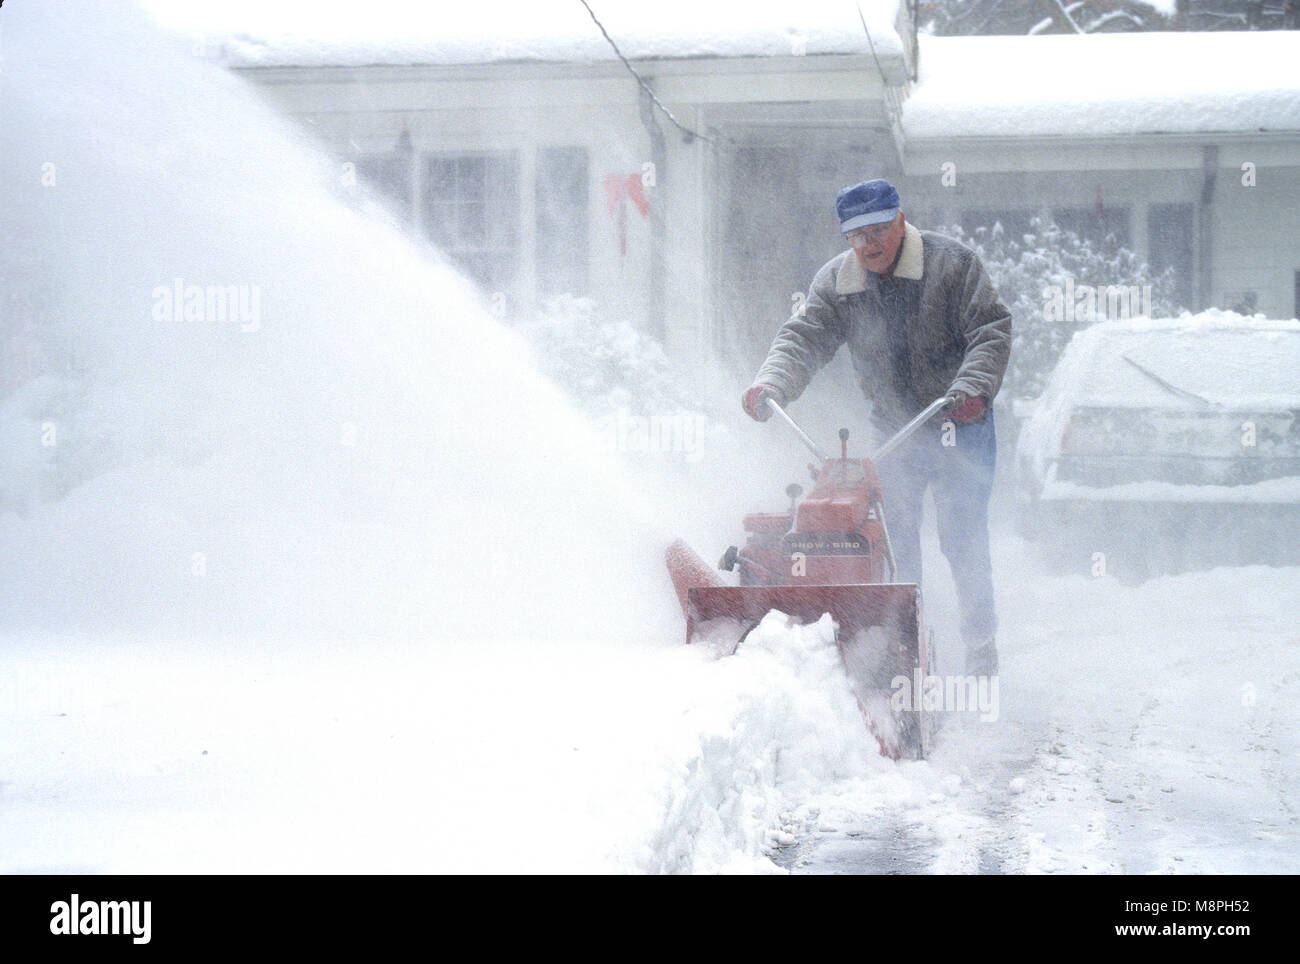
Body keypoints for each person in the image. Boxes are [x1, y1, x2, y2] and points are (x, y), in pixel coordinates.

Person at [741, 179, 1011, 676]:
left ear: (901, 221)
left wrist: (972, 388)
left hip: (958, 421)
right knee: (891, 533)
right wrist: (771, 382)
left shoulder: (953, 265)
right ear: (846, 238)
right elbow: (803, 337)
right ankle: (903, 644)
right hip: (895, 431)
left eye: (879, 228)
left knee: (961, 535)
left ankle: (980, 644)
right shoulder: (838, 283)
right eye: (857, 234)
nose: (870, 243)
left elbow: (989, 330)